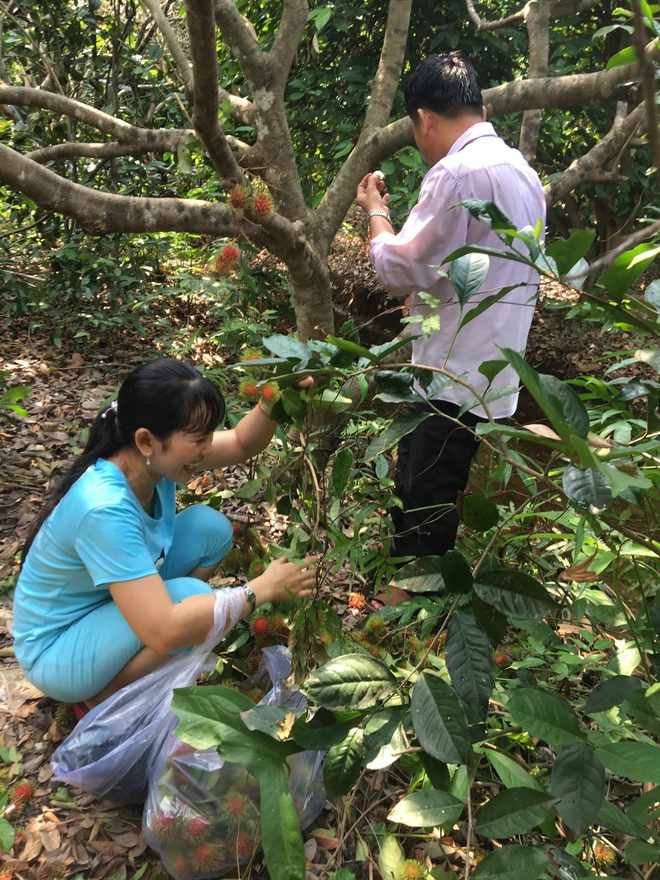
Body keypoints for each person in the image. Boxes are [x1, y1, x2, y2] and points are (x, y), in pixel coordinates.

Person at [13, 358, 316, 713]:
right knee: (188, 603)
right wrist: (259, 591)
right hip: (57, 650)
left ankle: (144, 649)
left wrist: (273, 401)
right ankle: (103, 693)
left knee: (210, 529)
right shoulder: (104, 507)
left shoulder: (153, 459)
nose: (207, 448)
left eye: (208, 436)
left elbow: (240, 442)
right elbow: (166, 630)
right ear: (146, 440)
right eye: (199, 439)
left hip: (106, 603)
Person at [356, 51, 546, 562]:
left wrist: (376, 213)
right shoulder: (522, 172)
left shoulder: (456, 174)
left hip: (452, 375)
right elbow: (478, 270)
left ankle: (416, 610)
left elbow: (401, 267)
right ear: (479, 108)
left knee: (425, 495)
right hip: (490, 369)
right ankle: (408, 601)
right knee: (430, 480)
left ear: (424, 118)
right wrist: (424, 309)